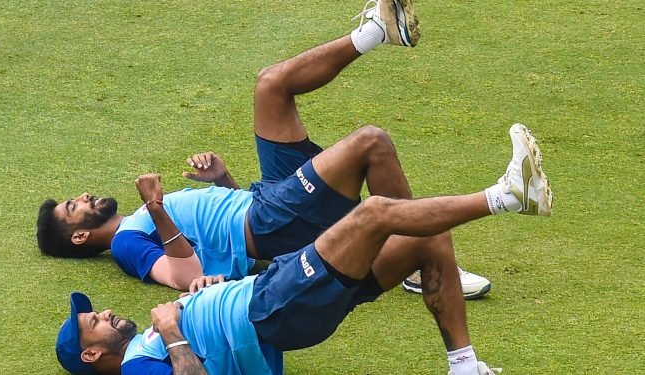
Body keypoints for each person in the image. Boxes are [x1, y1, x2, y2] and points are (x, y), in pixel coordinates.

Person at [37, 0, 492, 298]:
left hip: (261, 201)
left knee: (271, 85)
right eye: (72, 209)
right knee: (372, 143)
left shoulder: (135, 229)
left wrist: (222, 182)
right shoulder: (125, 245)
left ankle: (376, 31)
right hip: (270, 218)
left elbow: (222, 240)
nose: (82, 198)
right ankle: (417, 256)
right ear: (79, 236)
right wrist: (156, 207)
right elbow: (183, 275)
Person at [55, 121, 553, 374]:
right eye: (93, 322)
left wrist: (208, 290)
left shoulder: (147, 349)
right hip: (272, 305)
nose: (106, 312)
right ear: (94, 355)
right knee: (377, 212)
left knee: (422, 235)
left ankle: (463, 365)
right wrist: (172, 329)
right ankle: (506, 196)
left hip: (270, 292)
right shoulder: (140, 365)